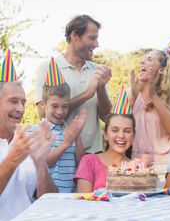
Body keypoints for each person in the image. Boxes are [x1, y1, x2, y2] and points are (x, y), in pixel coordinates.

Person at [34, 14, 112, 154]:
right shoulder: (47, 67)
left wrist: (100, 89)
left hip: (94, 154)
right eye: (92, 38)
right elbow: (43, 114)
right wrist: (87, 94)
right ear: (75, 36)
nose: (97, 44)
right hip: (60, 156)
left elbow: (107, 118)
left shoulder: (97, 70)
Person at [0, 81, 57, 221]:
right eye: (13, 101)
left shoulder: (26, 144)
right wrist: (13, 159)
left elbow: (50, 201)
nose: (20, 109)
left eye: (23, 102)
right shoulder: (20, 149)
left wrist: (40, 164)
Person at [30, 77, 88, 193]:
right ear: (43, 104)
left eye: (65, 106)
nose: (60, 111)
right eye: (55, 106)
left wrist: (76, 136)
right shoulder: (35, 131)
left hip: (70, 197)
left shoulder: (70, 131)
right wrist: (66, 143)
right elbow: (44, 163)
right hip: (46, 196)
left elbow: (82, 165)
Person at [130, 49, 170, 171]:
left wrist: (153, 96)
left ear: (161, 70)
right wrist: (133, 97)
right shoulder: (132, 91)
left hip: (164, 165)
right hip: (136, 164)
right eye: (144, 58)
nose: (142, 61)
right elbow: (120, 127)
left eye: (149, 59)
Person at [74, 112, 136, 193]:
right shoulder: (89, 161)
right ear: (105, 134)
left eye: (127, 131)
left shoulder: (138, 169)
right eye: (114, 130)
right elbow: (84, 200)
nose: (121, 135)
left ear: (133, 136)